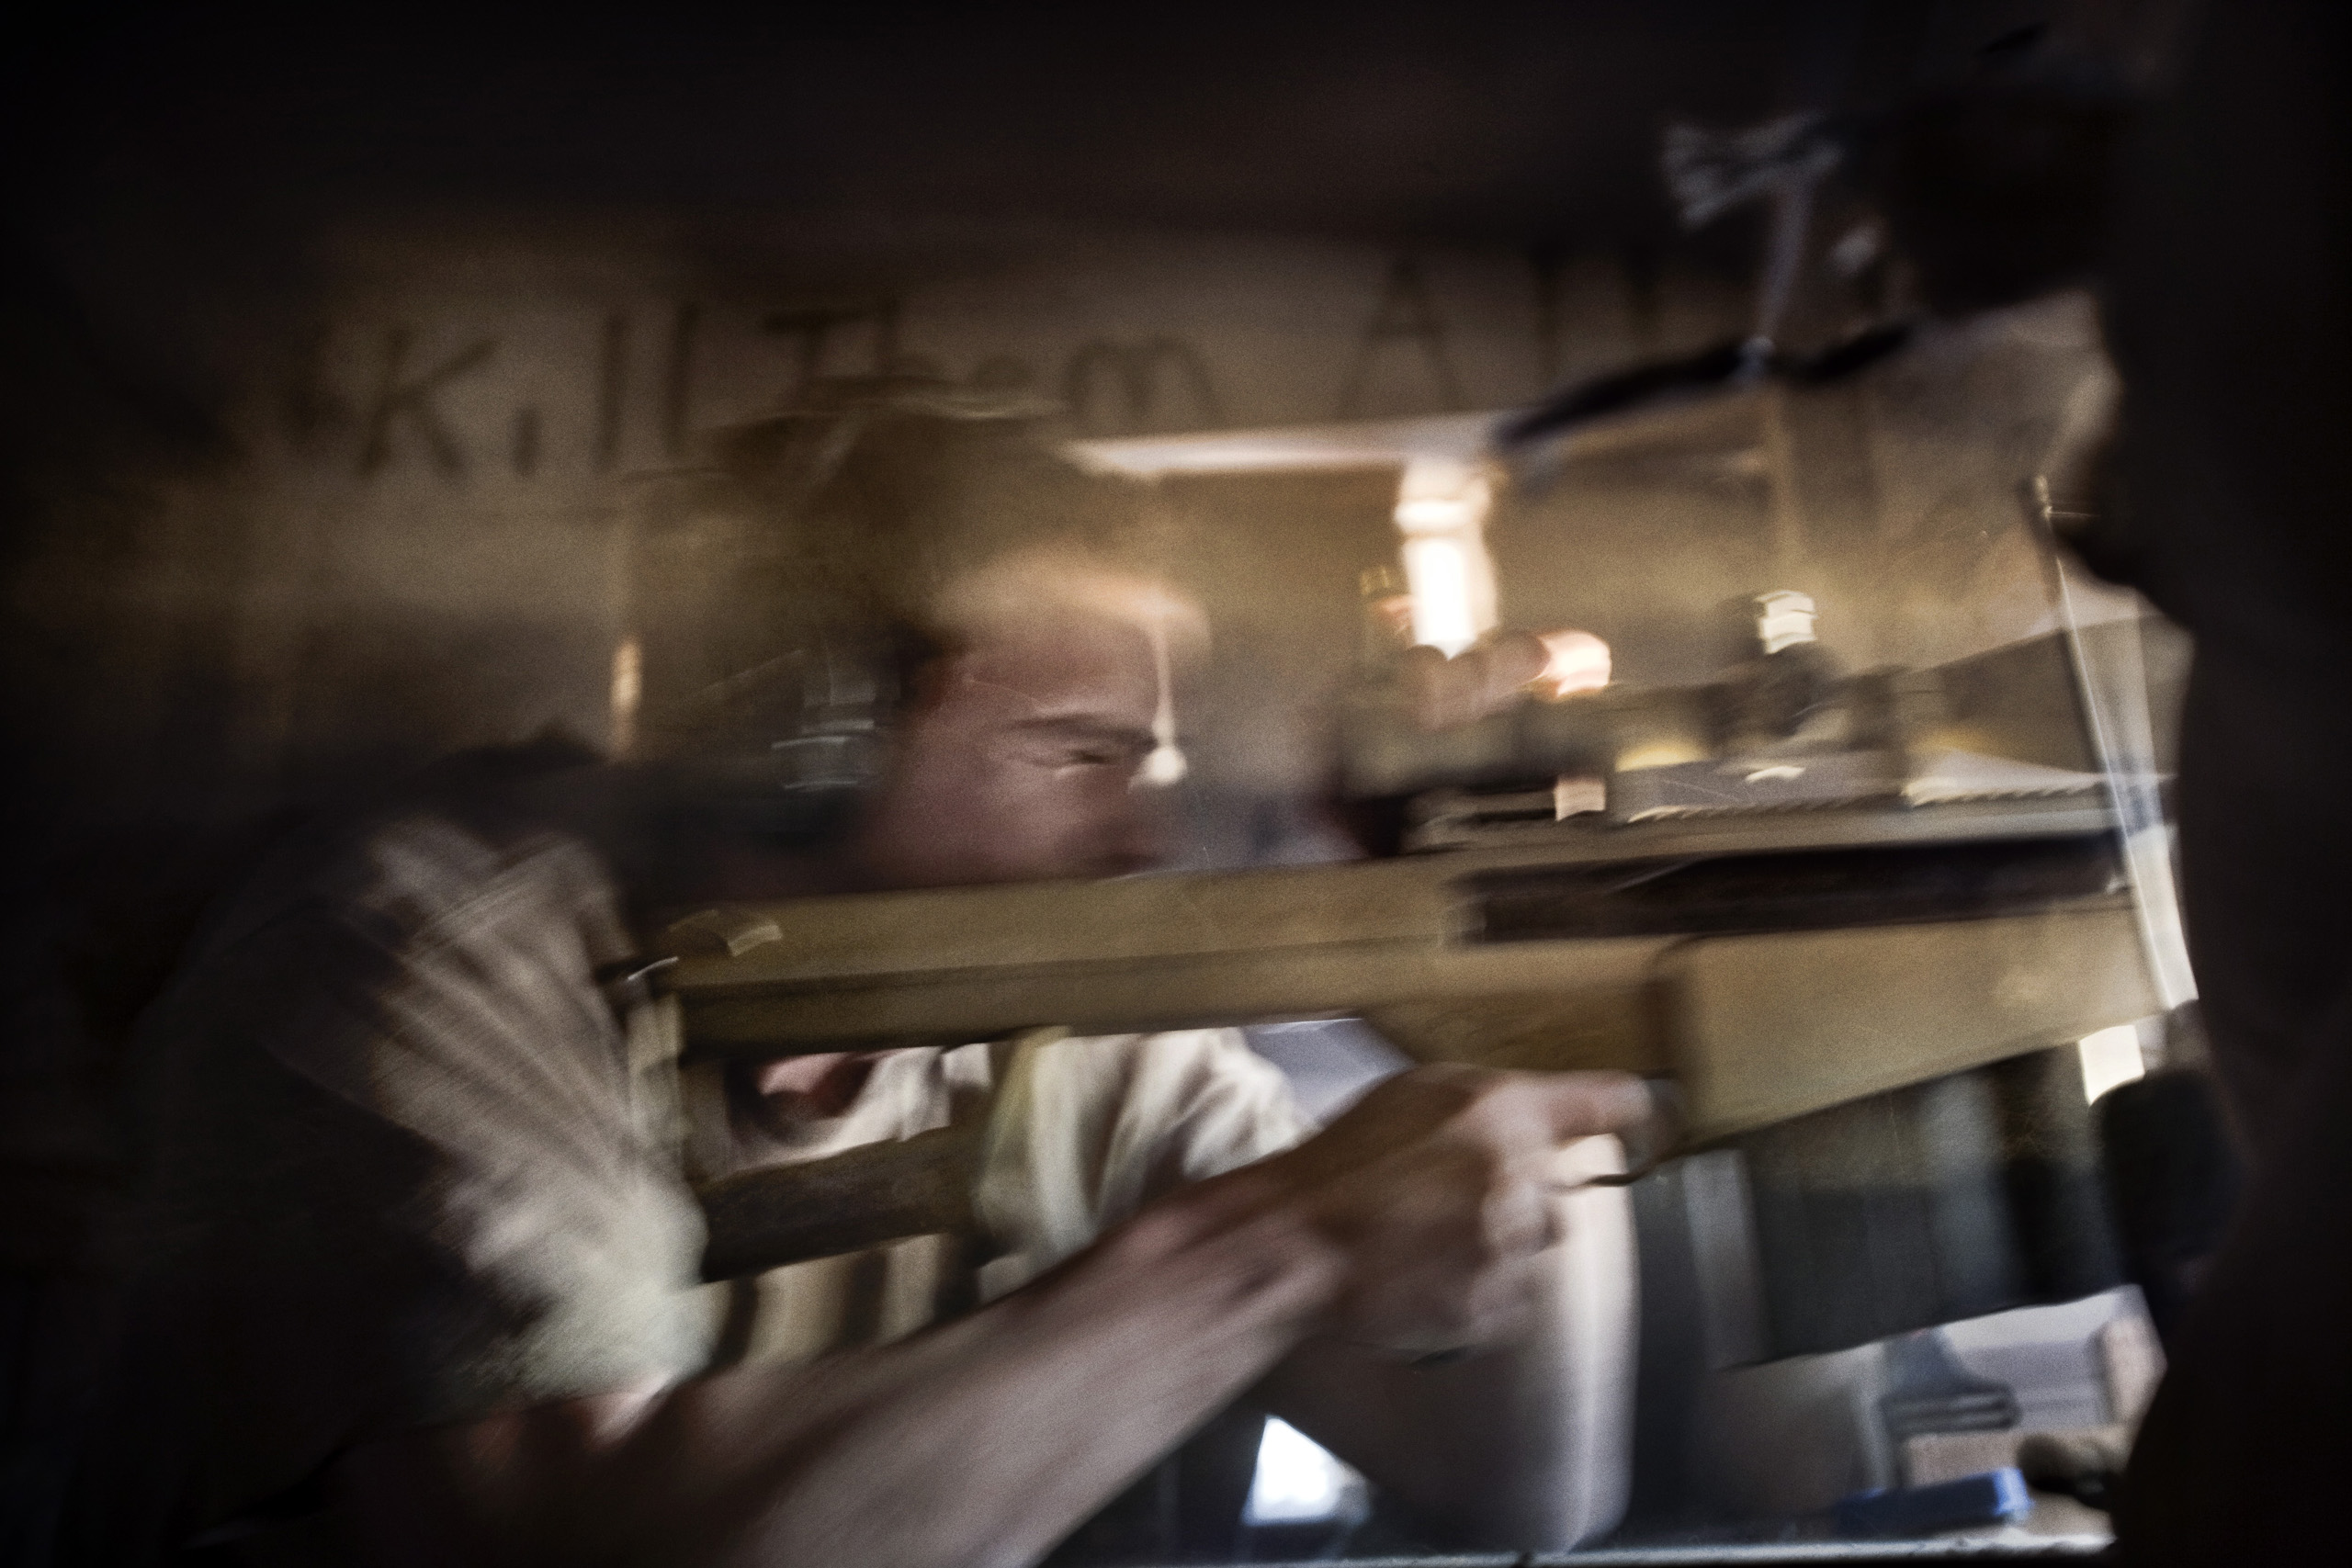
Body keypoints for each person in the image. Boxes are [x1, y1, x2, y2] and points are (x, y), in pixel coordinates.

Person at [55, 412, 1652, 1566]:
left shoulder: (1080, 1025)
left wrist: (1518, 1013)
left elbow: (1516, 1484)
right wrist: (1273, 1249)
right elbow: (575, 1547)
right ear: (799, 736)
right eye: (1076, 756)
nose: (1141, 839)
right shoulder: (417, 944)